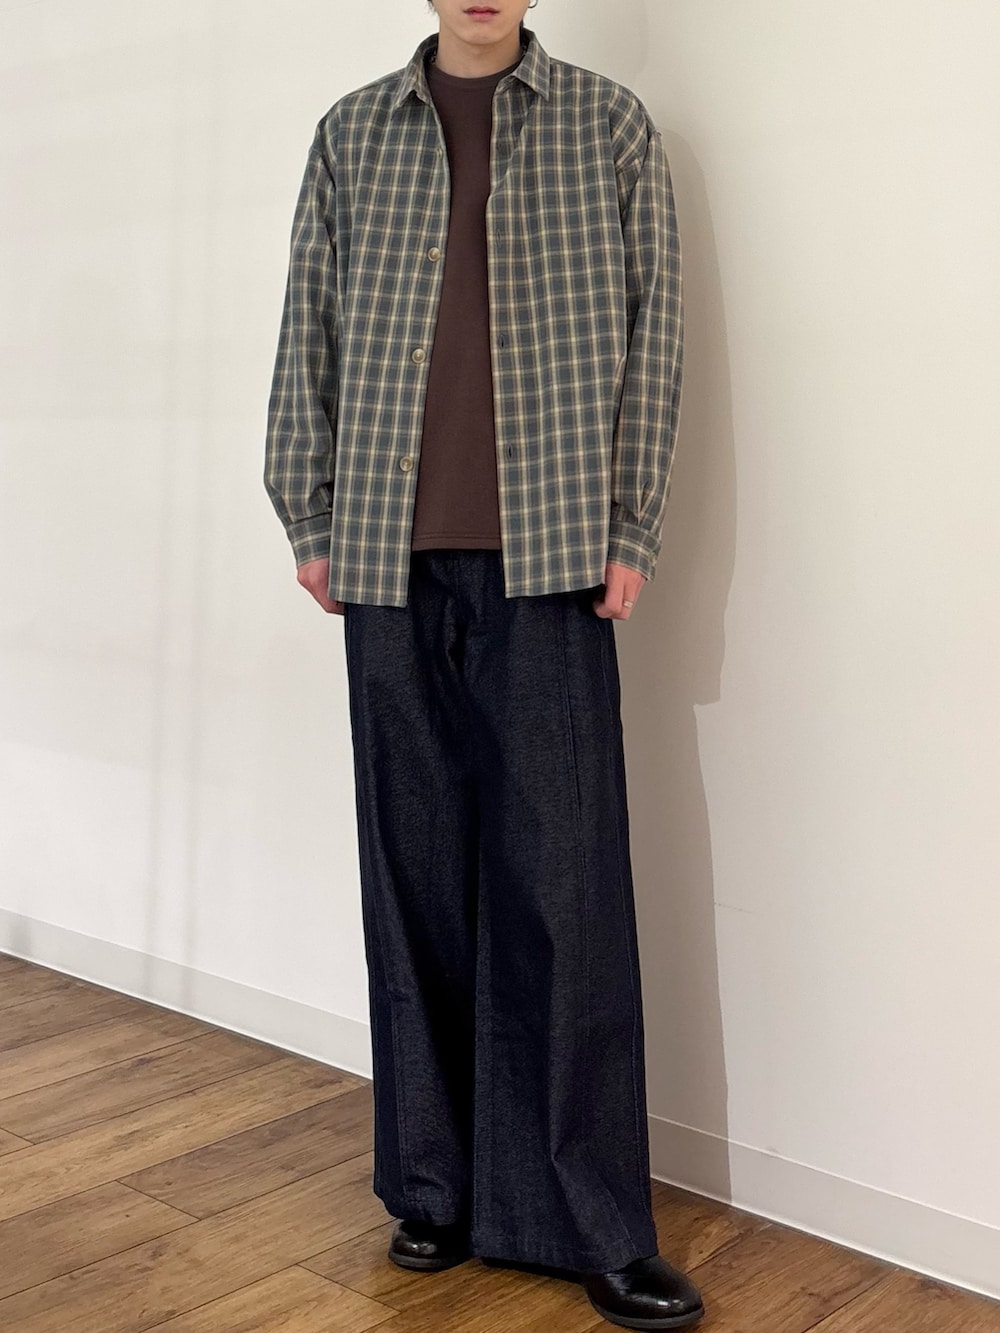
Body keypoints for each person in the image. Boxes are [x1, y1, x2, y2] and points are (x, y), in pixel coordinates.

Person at [264, 1, 703, 1327]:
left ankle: (590, 1220)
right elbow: (308, 326)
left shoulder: (609, 126)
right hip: (385, 556)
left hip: (552, 556)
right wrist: (308, 511)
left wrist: (630, 523)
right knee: (412, 880)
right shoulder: (352, 134)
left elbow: (656, 336)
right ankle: (435, 1189)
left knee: (564, 889)